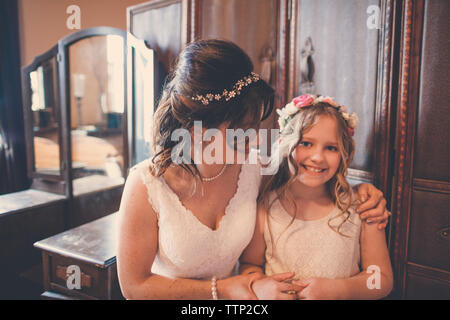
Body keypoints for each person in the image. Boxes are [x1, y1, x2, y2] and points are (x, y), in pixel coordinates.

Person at [116, 39, 389, 300]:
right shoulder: (146, 184)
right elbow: (134, 287)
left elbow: (312, 174)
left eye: (255, 128)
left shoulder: (256, 166)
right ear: (196, 127)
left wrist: (362, 191)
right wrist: (221, 290)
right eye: (242, 131)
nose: (256, 140)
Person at [240, 95, 393, 300]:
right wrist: (261, 286)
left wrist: (339, 290)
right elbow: (250, 265)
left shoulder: (363, 207)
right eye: (306, 143)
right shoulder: (266, 207)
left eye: (331, 148)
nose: (318, 157)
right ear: (286, 145)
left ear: (344, 154)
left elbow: (381, 279)